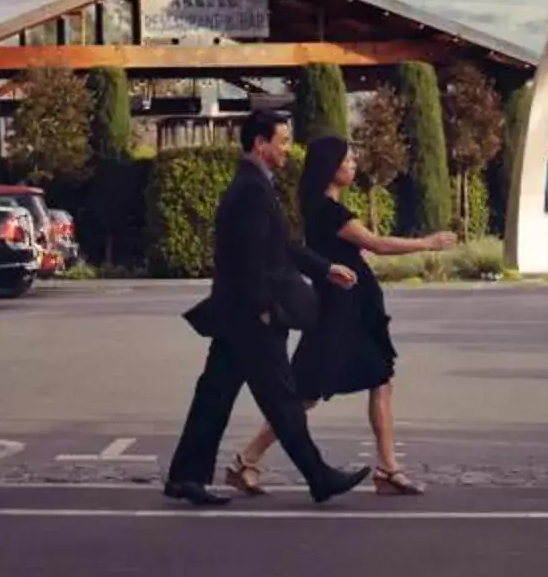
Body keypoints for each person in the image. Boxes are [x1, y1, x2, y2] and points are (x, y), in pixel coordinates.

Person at [163, 108, 371, 507]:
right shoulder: (251, 190)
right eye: (282, 141)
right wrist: (263, 309)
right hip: (252, 317)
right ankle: (319, 477)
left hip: (237, 315)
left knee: (215, 395)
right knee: (282, 400)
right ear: (260, 144)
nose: (287, 149)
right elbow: (252, 259)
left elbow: (284, 246)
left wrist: (325, 269)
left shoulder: (256, 185)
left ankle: (185, 477)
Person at [230, 134, 458, 497]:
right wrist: (428, 243)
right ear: (331, 168)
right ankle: (247, 459)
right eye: (348, 160)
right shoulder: (327, 211)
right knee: (305, 393)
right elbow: (377, 245)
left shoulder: (325, 208)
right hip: (337, 311)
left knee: (381, 378)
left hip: (358, 306)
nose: (354, 165)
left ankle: (388, 469)